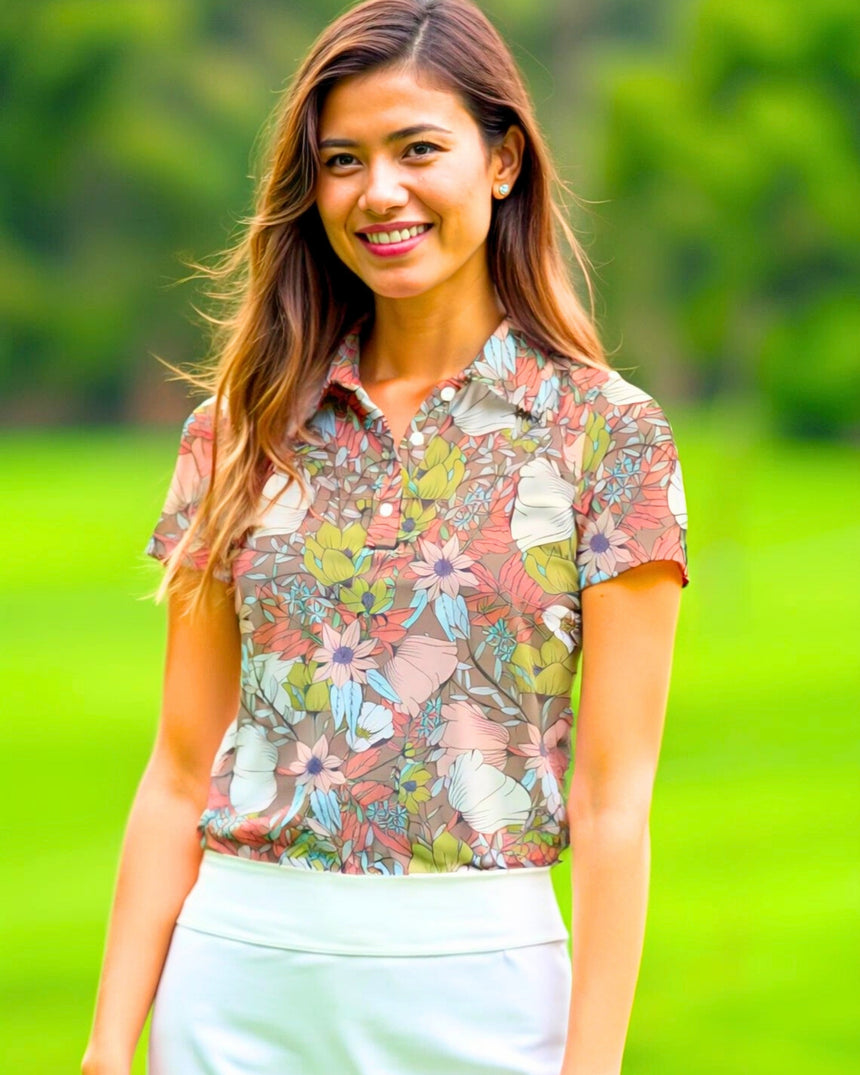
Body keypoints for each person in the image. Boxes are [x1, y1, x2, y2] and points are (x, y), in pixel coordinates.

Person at [82, 1, 690, 1073]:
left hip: (485, 998)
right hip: (234, 989)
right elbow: (180, 767)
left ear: (501, 161)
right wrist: (103, 1045)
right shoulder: (234, 432)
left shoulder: (610, 434)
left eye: (418, 149)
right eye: (341, 160)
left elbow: (610, 801)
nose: (379, 193)